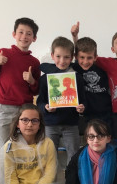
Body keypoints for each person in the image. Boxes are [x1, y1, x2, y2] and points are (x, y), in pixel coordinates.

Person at [69, 23, 117, 140]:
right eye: (82, 58)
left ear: (95, 58)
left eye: (89, 58)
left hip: (109, 113)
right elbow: (80, 52)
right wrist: (75, 37)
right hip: (89, 115)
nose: (85, 61)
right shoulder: (77, 67)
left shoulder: (103, 65)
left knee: (114, 142)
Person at [0, 17, 41, 150]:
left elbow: (36, 91)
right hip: (5, 108)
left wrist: (32, 81)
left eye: (29, 33)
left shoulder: (35, 62)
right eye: (21, 32)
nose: (24, 36)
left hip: (25, 110)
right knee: (4, 149)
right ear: (14, 34)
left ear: (34, 38)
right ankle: (4, 171)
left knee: (25, 148)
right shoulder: (4, 53)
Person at [37, 36, 86, 165]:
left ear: (72, 58)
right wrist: (46, 107)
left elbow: (83, 100)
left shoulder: (77, 78)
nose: (62, 61)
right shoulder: (45, 79)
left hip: (71, 123)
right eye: (58, 56)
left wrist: (82, 107)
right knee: (49, 157)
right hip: (50, 124)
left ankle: (71, 179)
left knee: (74, 155)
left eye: (66, 57)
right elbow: (39, 102)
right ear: (52, 56)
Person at [0, 103, 57, 184]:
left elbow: (50, 175)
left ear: (40, 124)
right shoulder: (10, 147)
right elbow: (10, 178)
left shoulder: (48, 144)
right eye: (25, 120)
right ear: (17, 124)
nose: (30, 124)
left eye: (34, 120)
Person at [65, 119, 117, 184]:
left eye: (100, 136)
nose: (96, 140)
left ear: (108, 139)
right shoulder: (77, 158)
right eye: (91, 136)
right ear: (87, 139)